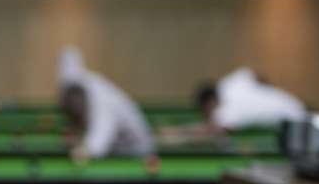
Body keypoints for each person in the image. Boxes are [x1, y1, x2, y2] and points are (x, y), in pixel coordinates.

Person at [57, 47, 154, 164]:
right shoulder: (82, 94)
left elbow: (98, 141)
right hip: (115, 151)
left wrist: (83, 151)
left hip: (137, 155)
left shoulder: (100, 97)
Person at [173, 68, 306, 140]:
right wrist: (266, 95)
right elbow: (256, 74)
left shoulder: (224, 112)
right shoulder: (229, 83)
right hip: (294, 104)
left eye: (204, 111)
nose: (206, 115)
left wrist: (179, 132)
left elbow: (212, 131)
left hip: (296, 122)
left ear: (209, 104)